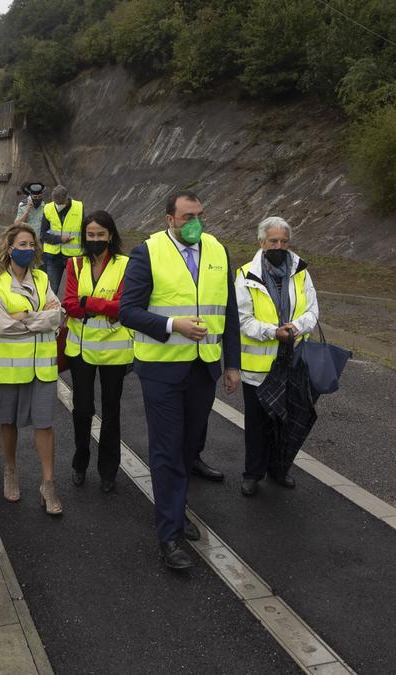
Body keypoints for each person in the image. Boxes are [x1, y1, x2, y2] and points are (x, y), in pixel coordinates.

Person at [120, 190, 241, 570]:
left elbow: (230, 312)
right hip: (161, 369)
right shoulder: (148, 252)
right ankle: (168, 535)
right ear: (169, 218)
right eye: (187, 216)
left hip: (203, 367)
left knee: (188, 449)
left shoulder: (218, 252)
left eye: (200, 215)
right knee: (167, 450)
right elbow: (128, 312)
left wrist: (232, 363)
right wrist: (174, 325)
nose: (195, 222)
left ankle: (176, 510)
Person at [0, 225, 65, 515]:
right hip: (9, 369)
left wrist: (25, 316)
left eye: (31, 244)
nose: (28, 248)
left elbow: (58, 317)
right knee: (8, 423)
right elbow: (2, 326)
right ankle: (10, 471)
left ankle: (48, 484)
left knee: (44, 425)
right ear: (10, 248)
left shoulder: (42, 277)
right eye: (22, 244)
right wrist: (41, 316)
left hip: (42, 368)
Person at [236, 216, 319, 496]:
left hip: (292, 361)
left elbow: (312, 312)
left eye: (284, 241)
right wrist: (273, 332)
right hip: (259, 365)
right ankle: (253, 473)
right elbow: (243, 320)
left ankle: (279, 468)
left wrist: (295, 327)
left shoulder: (301, 273)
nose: (279, 246)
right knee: (257, 423)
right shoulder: (246, 274)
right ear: (261, 242)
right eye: (273, 241)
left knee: (287, 420)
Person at [61, 210, 131, 493]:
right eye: (90, 235)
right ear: (84, 236)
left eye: (100, 235)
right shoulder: (74, 264)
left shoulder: (126, 264)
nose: (95, 239)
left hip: (115, 352)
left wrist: (89, 302)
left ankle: (108, 470)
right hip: (80, 350)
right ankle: (80, 462)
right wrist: (104, 305)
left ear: (110, 235)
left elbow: (124, 306)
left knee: (111, 411)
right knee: (82, 409)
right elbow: (70, 304)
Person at [40, 185, 82, 293]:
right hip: (53, 256)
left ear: (67, 198)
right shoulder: (48, 208)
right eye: (56, 203)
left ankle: (72, 309)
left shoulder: (79, 208)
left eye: (60, 203)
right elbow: (43, 235)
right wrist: (60, 239)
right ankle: (51, 309)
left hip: (73, 256)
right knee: (51, 290)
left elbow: (86, 232)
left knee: (75, 290)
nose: (58, 205)